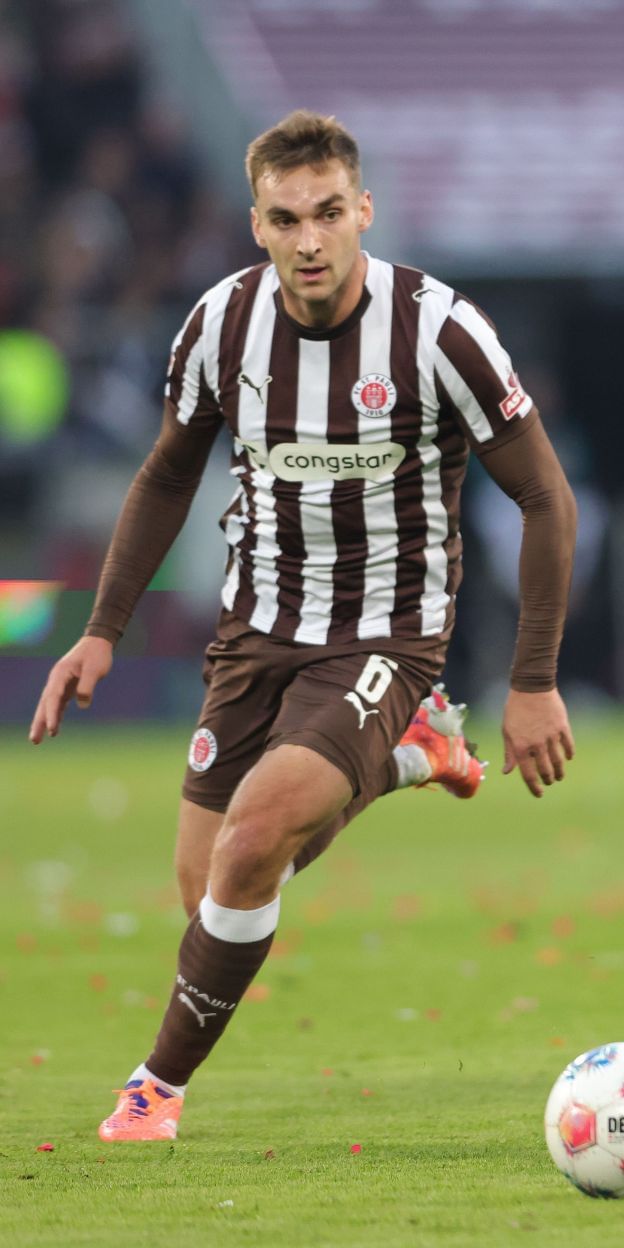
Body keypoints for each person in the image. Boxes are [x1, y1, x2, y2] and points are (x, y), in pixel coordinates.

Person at [27, 110, 580, 1142]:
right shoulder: (219, 325)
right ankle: (412, 758)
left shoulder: (439, 330)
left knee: (249, 845)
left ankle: (153, 1090)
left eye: (330, 213)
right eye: (288, 219)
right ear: (258, 227)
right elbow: (166, 473)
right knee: (216, 900)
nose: (312, 239)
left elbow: (547, 497)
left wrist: (535, 678)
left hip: (387, 634)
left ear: (363, 210)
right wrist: (101, 628)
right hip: (256, 631)